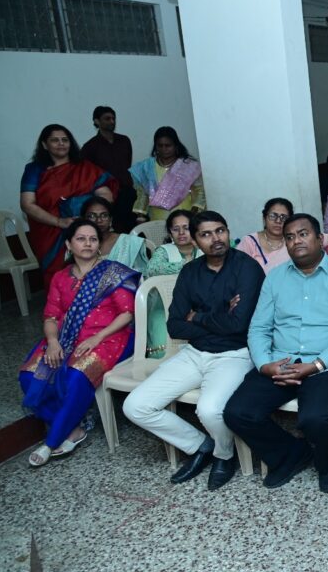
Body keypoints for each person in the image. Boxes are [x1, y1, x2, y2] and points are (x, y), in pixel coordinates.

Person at [124, 211, 265, 489]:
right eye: (206, 234)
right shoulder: (190, 272)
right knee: (136, 406)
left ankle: (225, 456)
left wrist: (197, 317)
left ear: (228, 232)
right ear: (195, 239)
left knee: (210, 410)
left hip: (234, 354)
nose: (216, 238)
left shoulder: (247, 268)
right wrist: (221, 316)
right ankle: (201, 445)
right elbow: (175, 327)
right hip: (193, 353)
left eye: (220, 231)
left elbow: (240, 325)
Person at [224, 214, 328, 493]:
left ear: (320, 239)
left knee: (315, 418)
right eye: (289, 237)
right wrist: (265, 365)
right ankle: (291, 454)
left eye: (303, 234)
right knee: (237, 412)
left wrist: (317, 364)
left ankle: (327, 464)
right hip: (282, 361)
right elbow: (259, 328)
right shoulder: (275, 278)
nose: (296, 241)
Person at [20, 219, 138, 467]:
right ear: (68, 244)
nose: (87, 243)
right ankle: (73, 429)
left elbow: (127, 313)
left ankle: (51, 441)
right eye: (81, 238)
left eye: (93, 239)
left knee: (75, 376)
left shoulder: (113, 273)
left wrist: (98, 337)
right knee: (29, 376)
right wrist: (53, 342)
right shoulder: (60, 277)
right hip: (66, 337)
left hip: (110, 336)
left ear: (99, 245)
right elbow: (51, 316)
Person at [20, 124, 117, 287]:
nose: (61, 144)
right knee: (58, 276)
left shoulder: (85, 167)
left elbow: (105, 194)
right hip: (50, 231)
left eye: (65, 140)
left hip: (86, 228)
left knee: (91, 272)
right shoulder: (35, 170)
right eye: (55, 140)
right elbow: (27, 204)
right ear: (44, 145)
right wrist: (59, 222)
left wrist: (90, 215)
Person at [143, 209, 201, 359]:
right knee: (162, 353)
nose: (181, 233)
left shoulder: (203, 250)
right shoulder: (164, 251)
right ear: (170, 233)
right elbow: (152, 269)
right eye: (176, 229)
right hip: (164, 308)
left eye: (186, 228)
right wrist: (187, 265)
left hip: (200, 309)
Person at [131, 126, 205, 224]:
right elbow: (143, 194)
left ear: (176, 146)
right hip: (157, 220)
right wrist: (140, 216)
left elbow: (199, 192)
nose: (164, 149)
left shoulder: (188, 166)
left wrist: (193, 215)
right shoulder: (145, 168)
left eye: (168, 145)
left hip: (184, 218)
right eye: (160, 145)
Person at [80, 106, 135, 233]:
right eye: (107, 118)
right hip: (107, 197)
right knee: (113, 230)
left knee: (131, 229)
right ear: (97, 121)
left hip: (128, 193)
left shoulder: (124, 141)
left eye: (113, 118)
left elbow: (127, 164)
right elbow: (87, 174)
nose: (111, 121)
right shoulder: (90, 147)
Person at [81, 196, 148, 272]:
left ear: (111, 219)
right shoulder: (77, 244)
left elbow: (142, 274)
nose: (99, 220)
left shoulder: (129, 243)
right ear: (83, 220)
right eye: (92, 216)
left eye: (104, 215)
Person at [237, 198, 293, 274]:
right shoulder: (249, 242)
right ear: (264, 218)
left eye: (284, 217)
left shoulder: (293, 242)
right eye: (273, 216)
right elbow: (238, 271)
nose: (278, 221)